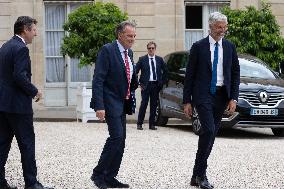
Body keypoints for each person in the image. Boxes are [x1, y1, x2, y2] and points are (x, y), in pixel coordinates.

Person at [183, 12, 240, 189]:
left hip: (222, 95)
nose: (222, 30)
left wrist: (234, 98)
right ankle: (202, 175)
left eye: (224, 27)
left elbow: (235, 73)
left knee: (211, 135)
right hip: (203, 95)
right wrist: (187, 101)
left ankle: (195, 174)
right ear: (210, 26)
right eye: (218, 27)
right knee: (207, 130)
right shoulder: (198, 47)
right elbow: (190, 75)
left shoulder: (230, 47)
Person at [0, 16, 53, 189]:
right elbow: (19, 76)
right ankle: (32, 184)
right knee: (27, 145)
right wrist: (34, 91)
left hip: (3, 105)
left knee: (2, 144)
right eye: (34, 30)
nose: (35, 34)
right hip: (18, 107)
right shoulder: (21, 48)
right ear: (25, 29)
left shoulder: (5, 46)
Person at [90, 21, 138, 189]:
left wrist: (134, 85)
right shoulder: (107, 50)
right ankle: (98, 174)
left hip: (123, 102)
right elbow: (98, 80)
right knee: (116, 137)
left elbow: (128, 75)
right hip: (109, 102)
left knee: (121, 140)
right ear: (120, 35)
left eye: (134, 36)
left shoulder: (129, 53)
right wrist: (99, 105)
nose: (132, 39)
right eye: (129, 36)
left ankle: (110, 176)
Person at [136, 41, 167, 130]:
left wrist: (162, 82)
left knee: (154, 105)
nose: (151, 50)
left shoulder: (159, 59)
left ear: (155, 49)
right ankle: (139, 124)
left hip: (155, 85)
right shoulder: (142, 59)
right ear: (147, 49)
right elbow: (135, 72)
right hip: (145, 85)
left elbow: (165, 71)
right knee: (144, 104)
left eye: (153, 48)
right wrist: (139, 83)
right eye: (149, 48)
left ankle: (152, 124)